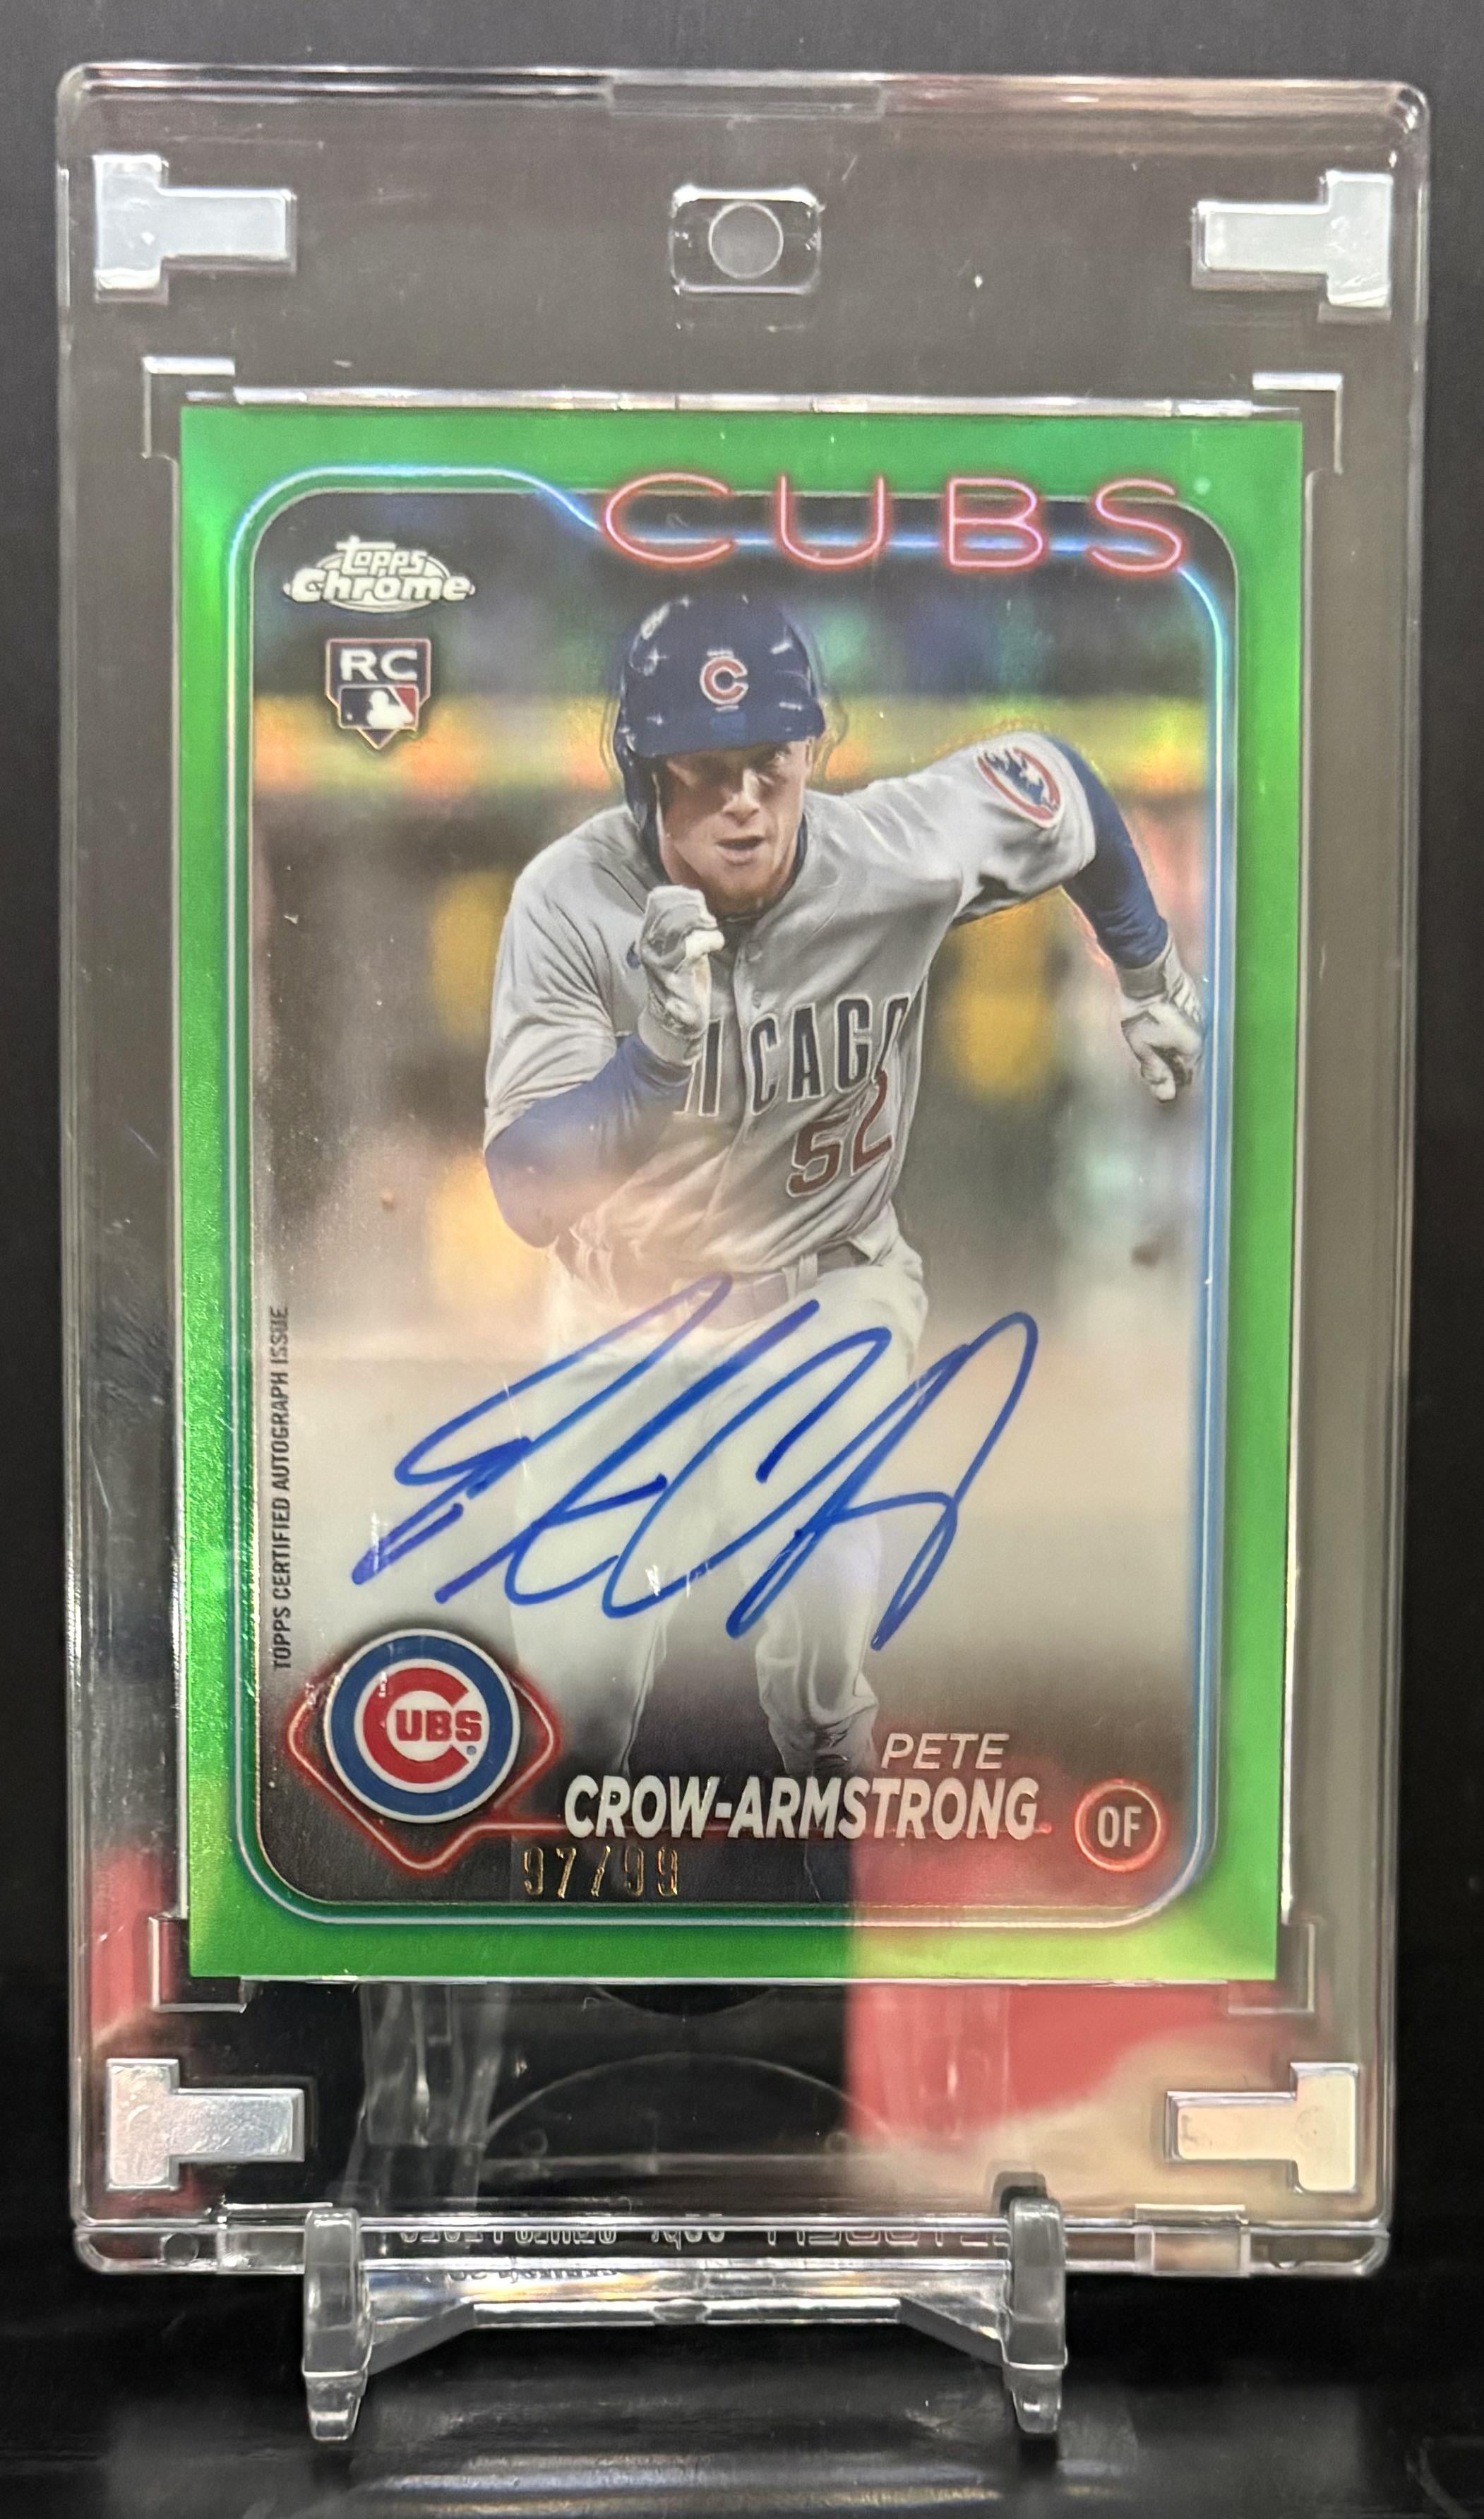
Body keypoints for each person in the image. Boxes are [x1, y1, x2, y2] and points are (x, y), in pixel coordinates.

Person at [481, 590, 1203, 1800]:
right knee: (571, 1718)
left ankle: (829, 1835)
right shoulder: (571, 900)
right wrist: (651, 1062)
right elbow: (525, 1194)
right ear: (643, 773)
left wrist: (1148, 974)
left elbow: (1063, 789)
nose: (744, 799)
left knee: (817, 1668)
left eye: (768, 758)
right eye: (704, 767)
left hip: (827, 1294)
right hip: (621, 1317)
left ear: (813, 750)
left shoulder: (895, 850)